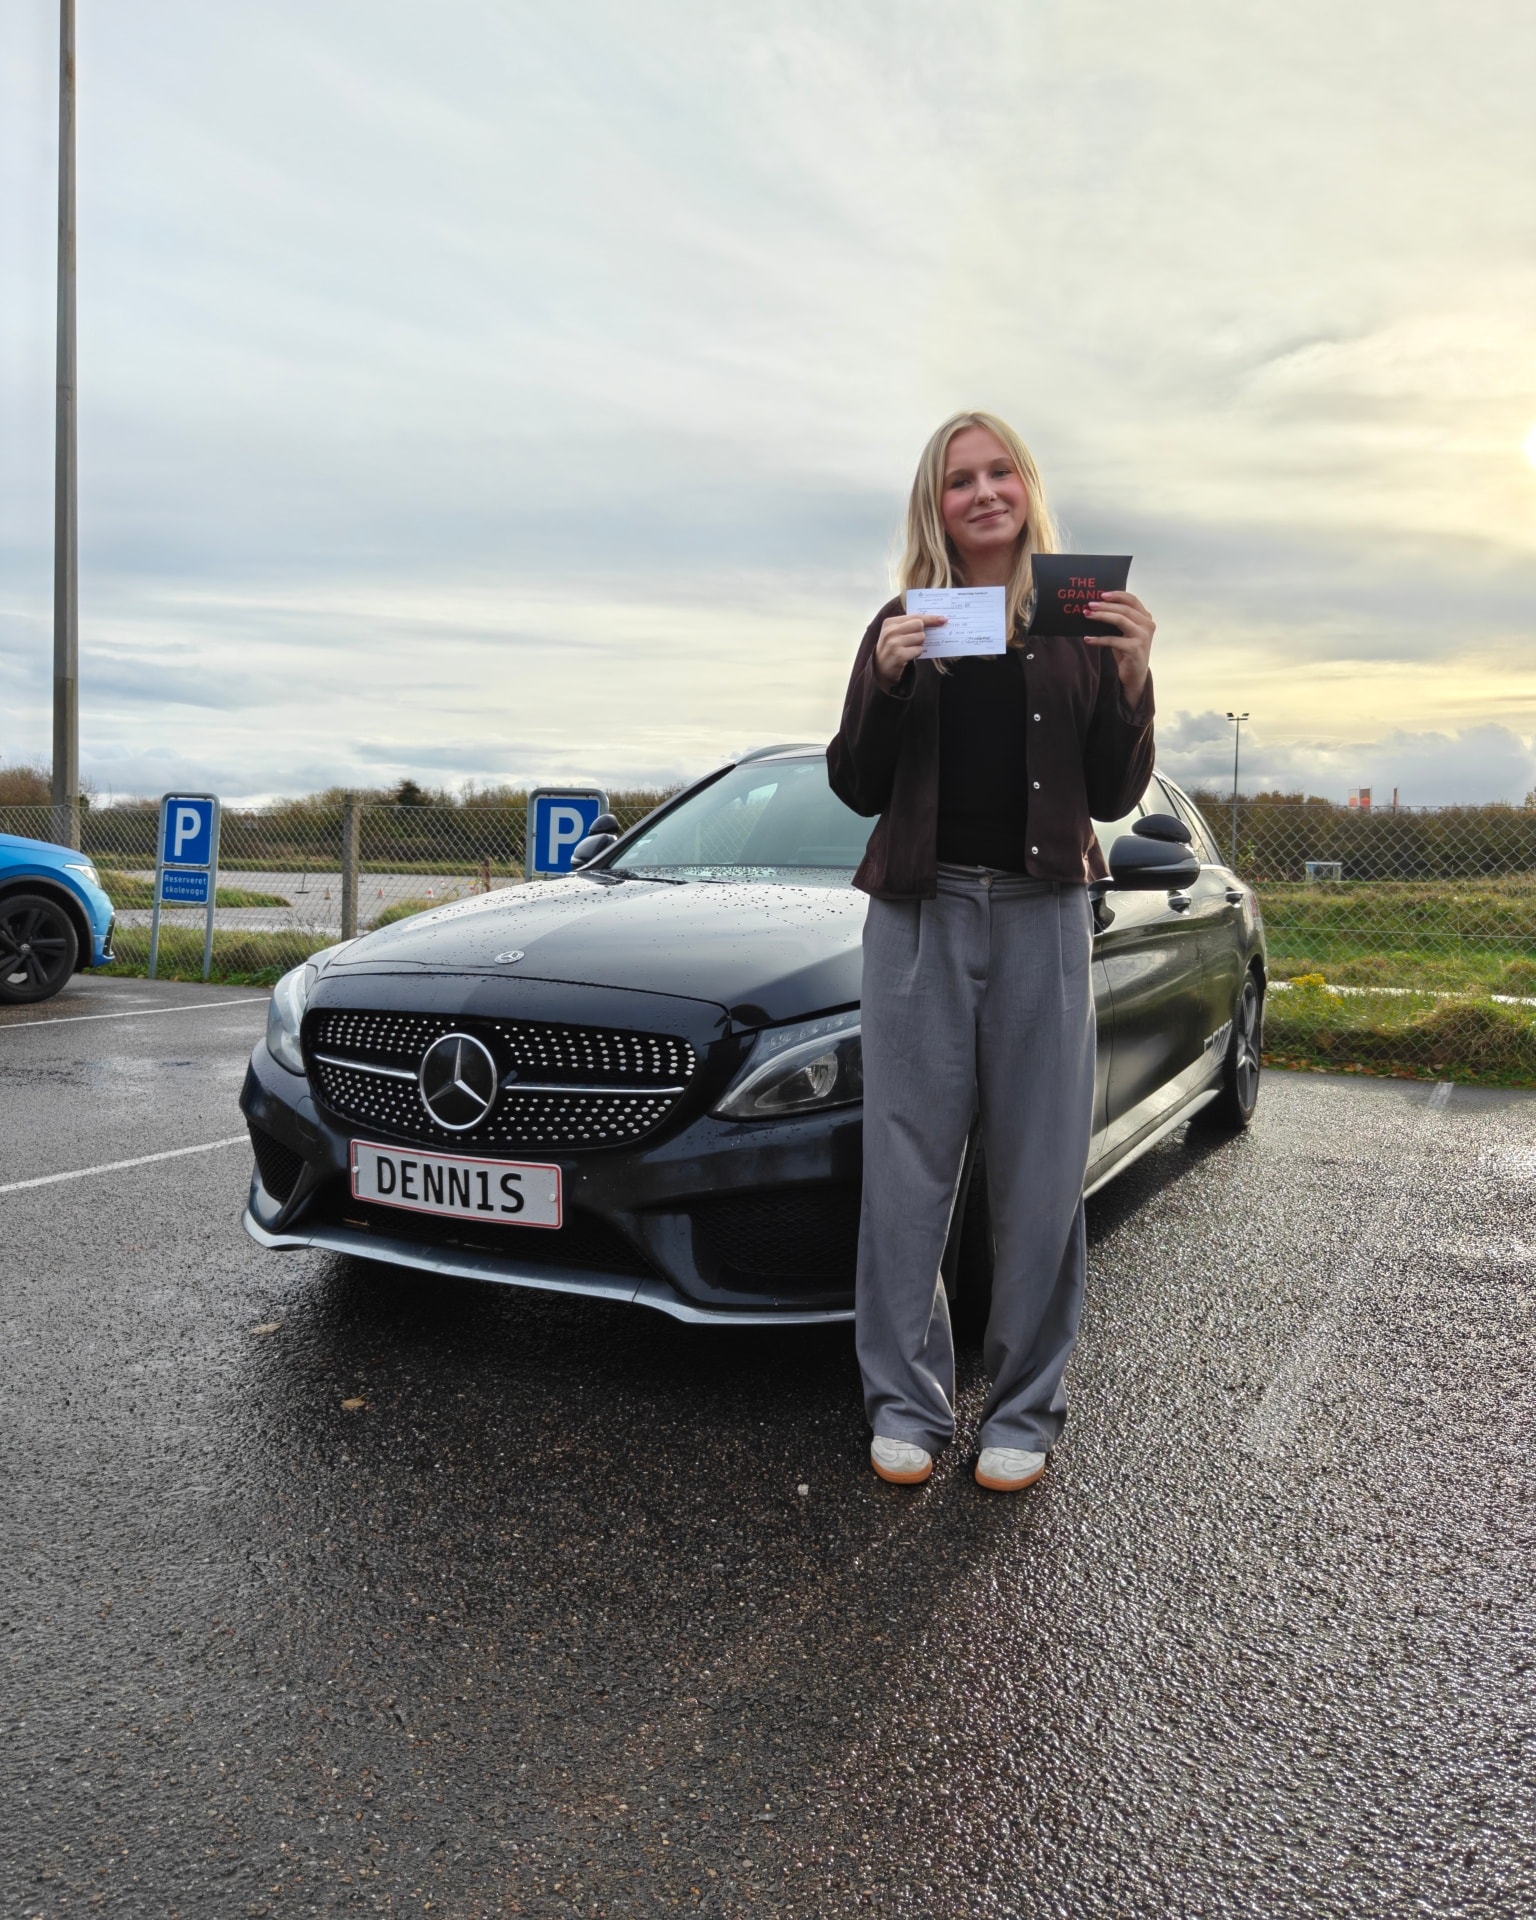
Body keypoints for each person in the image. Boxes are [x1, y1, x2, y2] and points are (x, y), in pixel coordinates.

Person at [826, 410, 1156, 1492]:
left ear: (1026, 486)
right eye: (959, 478)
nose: (982, 492)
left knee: (1040, 1172)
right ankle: (908, 1408)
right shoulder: (905, 619)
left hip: (1042, 914)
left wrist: (1134, 676)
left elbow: (1112, 796)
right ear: (937, 501)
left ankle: (1023, 1410)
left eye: (998, 471)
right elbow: (857, 784)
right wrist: (883, 678)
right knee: (907, 1173)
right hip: (919, 915)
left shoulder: (1080, 619)